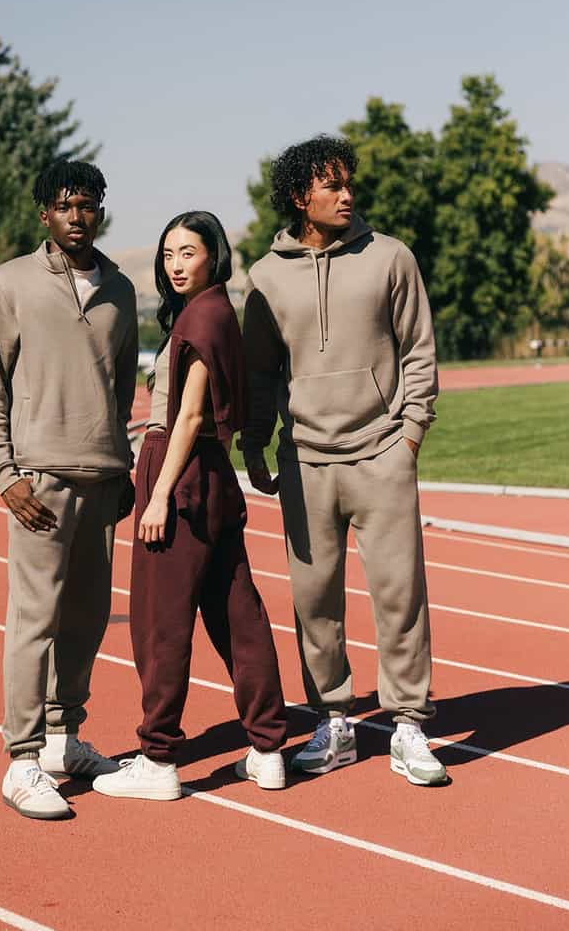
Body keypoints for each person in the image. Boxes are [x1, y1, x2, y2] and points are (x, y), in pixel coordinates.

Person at [239, 136, 448, 787]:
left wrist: (409, 435)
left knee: (400, 595)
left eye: (348, 183)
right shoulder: (266, 276)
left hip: (382, 453)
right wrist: (255, 443)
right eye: (332, 185)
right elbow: (258, 372)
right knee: (314, 603)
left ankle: (408, 723)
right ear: (299, 197)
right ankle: (334, 721)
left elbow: (418, 350)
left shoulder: (391, 257)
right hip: (305, 461)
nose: (347, 194)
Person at [92, 211, 287, 801]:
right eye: (168, 254)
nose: (176, 265)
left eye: (188, 253)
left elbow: (191, 415)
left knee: (161, 624)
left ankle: (158, 760)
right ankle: (268, 750)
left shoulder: (200, 317)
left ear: (213, 255)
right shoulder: (219, 310)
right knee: (238, 615)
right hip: (212, 477)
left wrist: (157, 496)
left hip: (178, 472)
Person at [0, 158, 138, 819]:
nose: (77, 216)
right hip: (38, 481)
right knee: (34, 620)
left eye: (87, 204)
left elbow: (121, 389)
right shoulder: (10, 283)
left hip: (103, 475)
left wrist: (122, 462)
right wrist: (4, 474)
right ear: (45, 214)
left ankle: (64, 738)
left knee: (88, 617)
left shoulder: (120, 290)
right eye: (65, 205)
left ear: (100, 211)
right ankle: (22, 758)